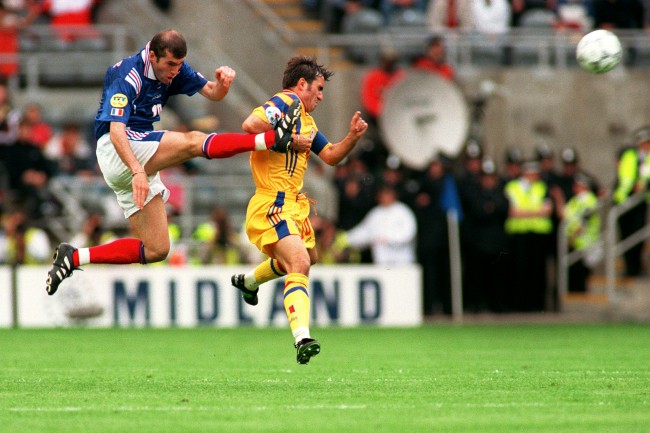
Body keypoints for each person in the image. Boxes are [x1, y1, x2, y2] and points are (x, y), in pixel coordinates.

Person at [45, 29, 299, 295]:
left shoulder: (174, 67)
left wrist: (223, 84)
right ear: (153, 56)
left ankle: (73, 257)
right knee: (192, 142)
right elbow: (116, 131)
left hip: (136, 155)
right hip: (117, 150)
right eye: (170, 65)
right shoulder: (128, 75)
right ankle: (270, 139)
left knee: (157, 249)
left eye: (179, 65)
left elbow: (212, 93)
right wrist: (137, 172)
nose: (175, 71)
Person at [231, 55, 368, 364]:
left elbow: (331, 156)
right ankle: (302, 338)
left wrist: (353, 137)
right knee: (300, 261)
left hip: (293, 204)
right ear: (302, 84)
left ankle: (249, 282)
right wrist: (290, 141)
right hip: (273, 202)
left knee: (308, 259)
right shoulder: (284, 101)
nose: (320, 96)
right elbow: (250, 125)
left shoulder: (307, 120)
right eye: (318, 89)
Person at [503, 160, 553, 312]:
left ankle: (537, 305)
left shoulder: (542, 187)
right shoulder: (512, 187)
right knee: (519, 270)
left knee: (537, 271)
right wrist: (535, 212)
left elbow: (547, 210)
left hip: (538, 234)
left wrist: (524, 213)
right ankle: (519, 304)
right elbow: (512, 212)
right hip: (518, 234)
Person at [341, 183, 417, 265]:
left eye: (387, 194)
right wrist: (345, 239)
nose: (384, 197)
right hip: (381, 261)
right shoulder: (375, 213)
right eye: (382, 194)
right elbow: (363, 231)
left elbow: (409, 234)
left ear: (394, 195)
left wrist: (388, 239)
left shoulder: (403, 211)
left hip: (402, 261)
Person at [612, 127, 650, 277]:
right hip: (622, 201)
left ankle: (636, 268)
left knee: (637, 234)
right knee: (626, 236)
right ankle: (629, 268)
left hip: (639, 201)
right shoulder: (630, 155)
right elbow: (623, 176)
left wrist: (643, 186)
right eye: (643, 143)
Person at [561, 174, 601, 292]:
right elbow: (565, 215)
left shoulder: (589, 199)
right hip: (574, 243)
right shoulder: (574, 200)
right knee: (573, 275)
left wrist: (571, 237)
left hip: (584, 242)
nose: (574, 187)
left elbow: (584, 222)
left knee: (581, 276)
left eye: (577, 184)